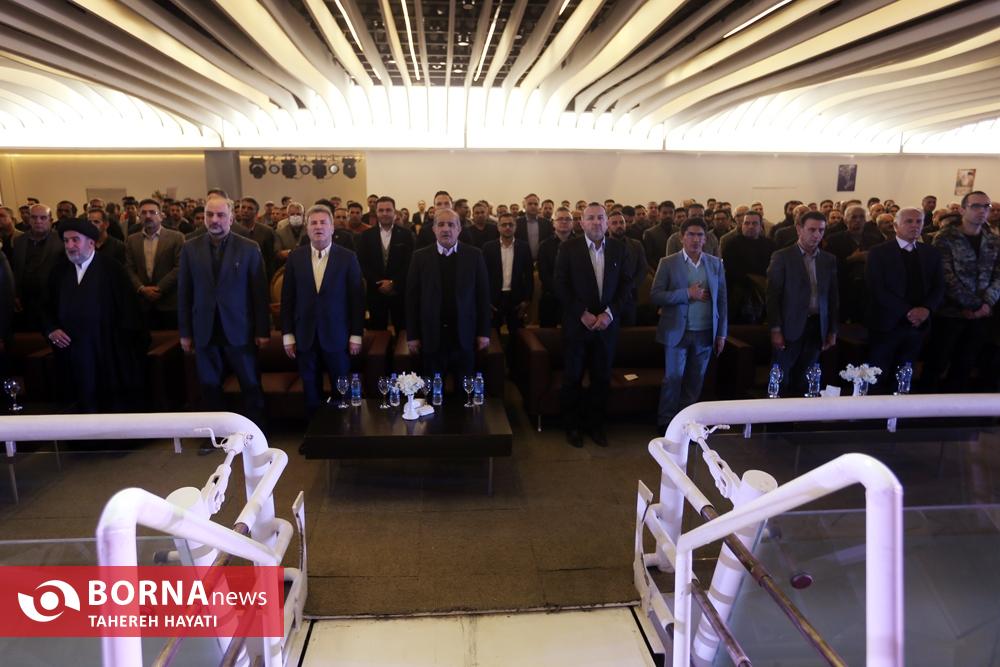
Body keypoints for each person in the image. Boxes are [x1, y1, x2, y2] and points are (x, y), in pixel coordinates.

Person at [177, 195, 270, 427]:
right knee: (209, 386)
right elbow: (184, 294)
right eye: (209, 215)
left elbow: (259, 294)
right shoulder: (190, 248)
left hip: (240, 330)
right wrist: (185, 333)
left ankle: (256, 434)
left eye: (220, 215)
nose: (214, 220)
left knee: (250, 385)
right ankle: (215, 435)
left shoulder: (249, 248)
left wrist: (263, 330)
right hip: (204, 330)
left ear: (231, 218)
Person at [43, 219, 147, 412]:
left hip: (107, 353)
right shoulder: (58, 271)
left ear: (91, 242)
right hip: (70, 352)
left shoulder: (112, 269)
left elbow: (130, 312)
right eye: (66, 241)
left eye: (75, 240)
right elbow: (46, 308)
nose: (70, 246)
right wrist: (52, 329)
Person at [555, 203, 631, 448]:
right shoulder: (568, 248)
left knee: (601, 378)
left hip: (606, 326)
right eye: (591, 218)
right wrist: (582, 313)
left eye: (600, 218)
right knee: (573, 378)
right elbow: (560, 284)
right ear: (582, 223)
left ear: (607, 222)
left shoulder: (619, 249)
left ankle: (596, 426)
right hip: (578, 325)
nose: (596, 222)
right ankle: (572, 426)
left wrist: (609, 314)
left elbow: (626, 286)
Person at [281, 204, 364, 416]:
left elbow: (356, 300)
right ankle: (314, 432)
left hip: (337, 334)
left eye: (323, 222)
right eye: (314, 223)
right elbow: (287, 299)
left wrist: (356, 334)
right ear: (307, 228)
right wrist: (288, 334)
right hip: (305, 335)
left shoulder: (347, 257)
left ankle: (343, 431)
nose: (318, 227)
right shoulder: (295, 257)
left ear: (332, 227)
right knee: (310, 391)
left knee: (341, 390)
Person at [650, 218, 727, 432]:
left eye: (700, 235)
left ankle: (686, 425)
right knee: (673, 378)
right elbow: (656, 295)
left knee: (695, 380)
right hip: (677, 331)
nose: (695, 239)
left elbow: (722, 300)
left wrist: (722, 333)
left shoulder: (715, 263)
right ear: (681, 237)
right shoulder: (668, 262)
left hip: (705, 332)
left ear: (705, 239)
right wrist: (687, 293)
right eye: (691, 234)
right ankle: (666, 422)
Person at [405, 208, 491, 387]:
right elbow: (412, 300)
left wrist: (483, 332)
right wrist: (412, 335)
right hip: (432, 338)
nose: (446, 229)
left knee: (465, 393)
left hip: (464, 336)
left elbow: (483, 298)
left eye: (451, 225)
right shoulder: (419, 257)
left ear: (459, 229)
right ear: (434, 229)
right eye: (441, 224)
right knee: (433, 394)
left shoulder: (474, 255)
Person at [925, 191, 1000, 392]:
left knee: (965, 364)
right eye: (976, 206)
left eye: (986, 206)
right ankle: (926, 405)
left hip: (982, 314)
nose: (982, 211)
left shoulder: (993, 240)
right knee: (937, 362)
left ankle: (955, 406)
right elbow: (946, 277)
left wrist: (986, 304)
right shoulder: (945, 238)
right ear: (962, 209)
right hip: (950, 313)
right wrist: (973, 305)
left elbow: (998, 276)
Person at [865, 207, 944, 391]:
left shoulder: (930, 253)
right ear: (896, 226)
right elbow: (877, 288)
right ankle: (874, 409)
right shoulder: (879, 252)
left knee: (904, 374)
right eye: (909, 221)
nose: (915, 225)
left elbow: (939, 286)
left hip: (917, 325)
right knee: (877, 374)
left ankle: (899, 407)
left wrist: (926, 309)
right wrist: (908, 311)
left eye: (919, 221)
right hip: (887, 324)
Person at [766, 211, 838, 396]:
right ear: (799, 229)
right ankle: (778, 414)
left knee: (806, 378)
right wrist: (775, 329)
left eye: (821, 230)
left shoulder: (828, 259)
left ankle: (801, 413)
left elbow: (832, 297)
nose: (817, 235)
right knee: (781, 378)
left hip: (816, 325)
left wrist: (832, 330)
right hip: (789, 325)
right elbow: (773, 296)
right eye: (812, 230)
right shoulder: (782, 257)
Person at [357, 196, 414, 331]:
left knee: (402, 329)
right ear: (376, 212)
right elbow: (362, 263)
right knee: (377, 331)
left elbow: (410, 262)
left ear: (394, 212)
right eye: (381, 210)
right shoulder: (366, 235)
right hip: (375, 291)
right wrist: (378, 283)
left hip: (399, 291)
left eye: (388, 210)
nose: (384, 213)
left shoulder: (406, 235)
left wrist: (393, 283)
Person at [125, 198, 184, 331]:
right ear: (139, 216)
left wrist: (159, 288)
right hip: (143, 303)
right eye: (144, 213)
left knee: (170, 341)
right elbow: (129, 268)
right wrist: (141, 288)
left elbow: (180, 267)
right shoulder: (132, 240)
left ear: (161, 216)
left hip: (169, 302)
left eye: (152, 212)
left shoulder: (177, 237)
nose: (148, 216)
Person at [482, 213, 533, 357]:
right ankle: (495, 367)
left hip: (516, 298)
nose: (507, 227)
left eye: (511, 224)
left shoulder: (523, 247)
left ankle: (514, 366)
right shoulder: (488, 247)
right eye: (504, 225)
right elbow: (482, 276)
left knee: (517, 337)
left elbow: (529, 275)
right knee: (493, 335)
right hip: (494, 299)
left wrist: (527, 300)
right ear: (498, 227)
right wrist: (485, 300)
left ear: (515, 227)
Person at [11, 203, 63, 332]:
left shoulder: (61, 241)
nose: (38, 221)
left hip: (52, 299)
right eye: (34, 217)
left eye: (43, 218)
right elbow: (16, 269)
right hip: (26, 299)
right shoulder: (19, 241)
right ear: (29, 219)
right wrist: (16, 294)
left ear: (51, 220)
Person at [721, 210, 773, 324]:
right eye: (747, 223)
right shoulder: (731, 244)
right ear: (742, 225)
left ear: (761, 226)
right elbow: (731, 270)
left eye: (754, 223)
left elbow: (771, 267)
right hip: (737, 294)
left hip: (763, 290)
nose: (750, 226)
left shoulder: (769, 244)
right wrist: (753, 278)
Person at [608, 210, 649, 326]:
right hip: (609, 297)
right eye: (614, 223)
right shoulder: (602, 245)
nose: (619, 225)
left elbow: (643, 268)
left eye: (622, 222)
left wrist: (631, 285)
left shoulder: (636, 245)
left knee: (629, 328)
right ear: (607, 225)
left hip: (630, 295)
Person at [537, 207, 574, 327]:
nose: (564, 222)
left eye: (567, 219)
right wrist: (559, 291)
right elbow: (544, 274)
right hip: (550, 296)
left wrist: (568, 293)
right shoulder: (544, 245)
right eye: (560, 219)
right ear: (554, 223)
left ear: (572, 223)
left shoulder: (581, 244)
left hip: (575, 297)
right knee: (548, 333)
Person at [515, 193, 553, 261]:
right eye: (530, 204)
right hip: (522, 260)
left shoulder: (547, 224)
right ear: (524, 206)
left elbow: (550, 245)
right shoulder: (516, 223)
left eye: (536, 204)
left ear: (539, 207)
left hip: (542, 261)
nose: (533, 206)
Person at [642, 201, 675, 268]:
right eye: (665, 213)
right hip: (658, 269)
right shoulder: (650, 233)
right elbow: (648, 258)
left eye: (671, 213)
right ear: (659, 214)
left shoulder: (679, 231)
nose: (668, 215)